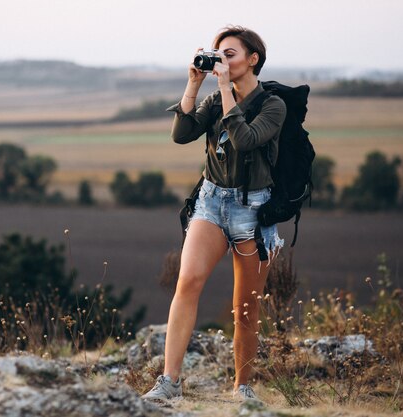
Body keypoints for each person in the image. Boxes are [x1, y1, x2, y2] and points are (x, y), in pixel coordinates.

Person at [142, 26, 286, 403]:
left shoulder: (273, 105)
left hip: (253, 210)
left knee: (245, 306)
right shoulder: (212, 99)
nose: (222, 60)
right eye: (217, 54)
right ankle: (169, 382)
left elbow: (246, 139)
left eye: (230, 54)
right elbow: (181, 134)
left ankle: (243, 388)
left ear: (253, 59)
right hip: (211, 201)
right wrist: (193, 85)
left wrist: (224, 90)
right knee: (187, 283)